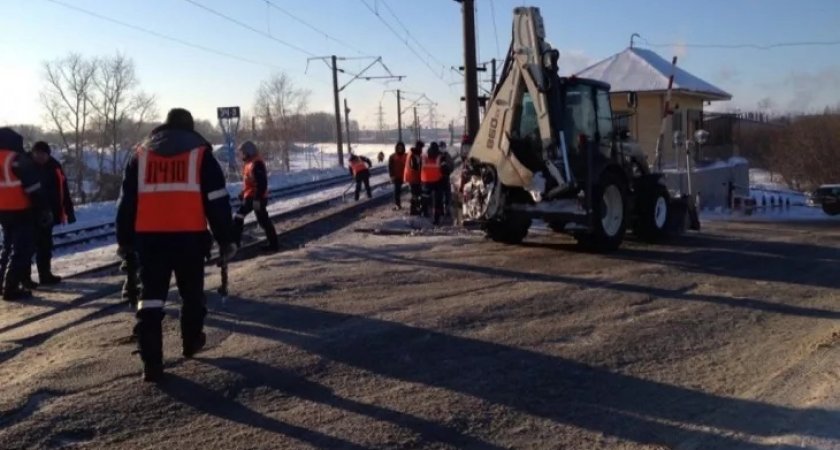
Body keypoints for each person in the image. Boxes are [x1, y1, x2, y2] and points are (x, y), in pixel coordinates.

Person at [116, 108, 236, 382]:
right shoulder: (201, 154)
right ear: (190, 128)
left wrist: (124, 240)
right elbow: (216, 200)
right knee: (191, 294)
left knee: (151, 298)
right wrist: (226, 238)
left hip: (150, 240)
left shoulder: (140, 155)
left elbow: (126, 202)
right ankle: (191, 341)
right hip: (189, 237)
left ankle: (152, 363)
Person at [0, 127, 49, 300]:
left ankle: (3, 284)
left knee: (7, 248)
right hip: (21, 210)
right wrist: (42, 208)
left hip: (3, 211)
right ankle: (11, 288)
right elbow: (33, 187)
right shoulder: (16, 159)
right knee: (21, 250)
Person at [29, 141, 75, 285]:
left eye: (43, 154)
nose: (40, 157)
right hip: (31, 213)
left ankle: (45, 274)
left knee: (45, 245)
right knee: (28, 247)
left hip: (49, 213)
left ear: (48, 154)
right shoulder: (27, 167)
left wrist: (69, 211)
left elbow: (64, 189)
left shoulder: (55, 167)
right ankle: (24, 278)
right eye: (37, 154)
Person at [233, 141, 279, 252]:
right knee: (262, 220)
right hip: (252, 197)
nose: (242, 155)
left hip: (255, 197)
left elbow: (261, 183)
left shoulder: (256, 163)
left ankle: (235, 244)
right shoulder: (249, 163)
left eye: (243, 152)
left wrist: (257, 199)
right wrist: (242, 192)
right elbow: (250, 183)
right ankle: (273, 244)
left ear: (249, 151)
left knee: (240, 217)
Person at [421, 142, 450, 225]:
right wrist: (446, 173)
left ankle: (424, 213)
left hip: (425, 180)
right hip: (437, 180)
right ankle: (437, 218)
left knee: (425, 198)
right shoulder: (440, 156)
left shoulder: (424, 156)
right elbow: (445, 168)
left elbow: (420, 166)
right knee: (438, 200)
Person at [404, 140, 424, 215]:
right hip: (414, 178)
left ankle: (416, 209)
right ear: (418, 147)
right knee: (415, 195)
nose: (422, 149)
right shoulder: (414, 155)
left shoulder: (413, 153)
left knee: (416, 194)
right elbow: (415, 167)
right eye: (421, 148)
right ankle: (414, 210)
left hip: (412, 177)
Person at [387, 142, 407, 210]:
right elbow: (390, 167)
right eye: (398, 148)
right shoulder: (392, 156)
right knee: (396, 191)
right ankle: (397, 204)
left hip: (405, 176)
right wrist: (391, 175)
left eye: (401, 147)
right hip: (396, 176)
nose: (400, 149)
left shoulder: (406, 156)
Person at [438, 141, 455, 217]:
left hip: (446, 177)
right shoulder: (436, 155)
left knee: (448, 194)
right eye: (441, 147)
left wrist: (447, 167)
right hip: (438, 178)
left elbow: (452, 165)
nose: (442, 148)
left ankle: (447, 209)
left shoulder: (447, 155)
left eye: (443, 147)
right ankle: (441, 210)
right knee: (440, 195)